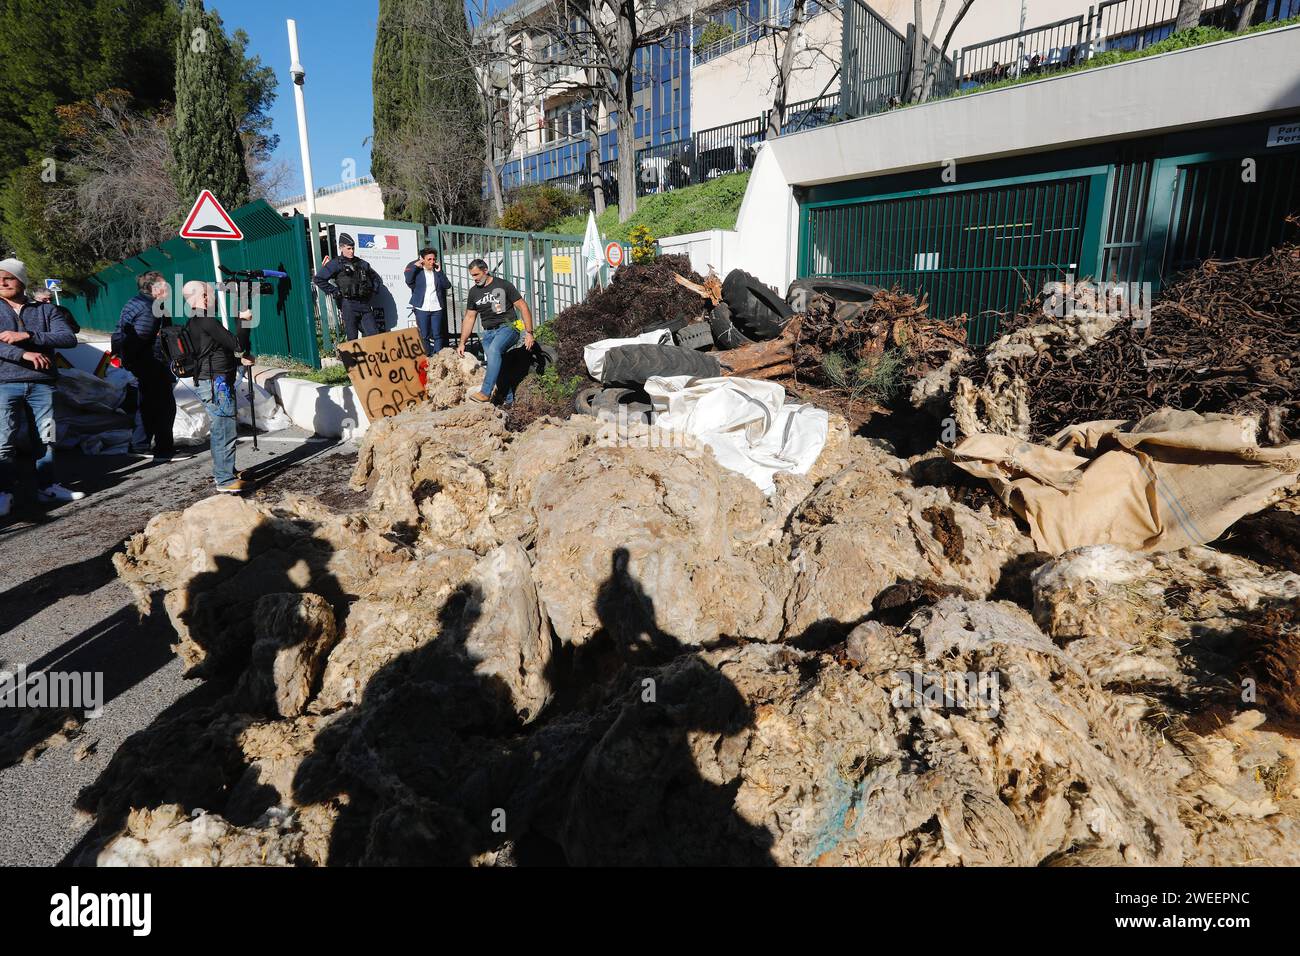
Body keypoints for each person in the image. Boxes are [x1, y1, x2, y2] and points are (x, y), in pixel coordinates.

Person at [0, 258, 83, 517]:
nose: (2, 282)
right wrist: (22, 355)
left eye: (8, 278)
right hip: (4, 383)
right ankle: (4, 492)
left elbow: (68, 337)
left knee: (46, 438)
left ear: (21, 281)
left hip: (41, 383)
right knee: (3, 440)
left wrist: (29, 336)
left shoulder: (45, 310)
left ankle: (46, 486)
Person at [180, 280, 254, 494]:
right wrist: (244, 321)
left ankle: (226, 470)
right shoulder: (206, 320)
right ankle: (224, 479)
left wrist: (240, 362)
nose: (213, 297)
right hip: (216, 385)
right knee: (224, 430)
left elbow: (214, 353)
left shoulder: (194, 322)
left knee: (221, 428)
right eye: (211, 293)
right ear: (203, 296)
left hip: (212, 382)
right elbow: (238, 345)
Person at [114, 271, 179, 461]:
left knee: (148, 405)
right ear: (153, 288)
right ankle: (163, 450)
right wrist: (140, 362)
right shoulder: (150, 307)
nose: (168, 288)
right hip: (151, 363)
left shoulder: (137, 302)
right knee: (164, 406)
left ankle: (139, 444)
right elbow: (140, 337)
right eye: (164, 284)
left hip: (144, 363)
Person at [456, 259, 534, 405]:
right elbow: (469, 317)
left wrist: (529, 332)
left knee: (494, 351)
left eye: (477, 274)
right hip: (488, 333)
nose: (475, 278)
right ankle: (508, 400)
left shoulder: (503, 285)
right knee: (496, 364)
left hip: (509, 327)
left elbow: (523, 307)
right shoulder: (474, 292)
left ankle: (485, 392)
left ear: (485, 270)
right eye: (472, 276)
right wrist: (462, 343)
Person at [312, 233, 385, 341]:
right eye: (348, 248)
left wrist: (372, 291)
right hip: (348, 304)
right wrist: (334, 291)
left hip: (364, 304)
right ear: (341, 248)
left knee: (373, 335)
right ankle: (353, 358)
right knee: (352, 338)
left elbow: (376, 279)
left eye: (353, 248)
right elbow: (318, 279)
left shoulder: (362, 263)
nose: (352, 251)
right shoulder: (336, 263)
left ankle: (370, 357)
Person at [403, 247, 452, 355]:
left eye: (433, 259)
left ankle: (439, 358)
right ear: (423, 259)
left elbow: (447, 285)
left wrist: (440, 272)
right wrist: (416, 266)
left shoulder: (436, 272)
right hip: (422, 308)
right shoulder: (417, 271)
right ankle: (427, 357)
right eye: (429, 259)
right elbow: (408, 280)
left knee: (437, 335)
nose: (432, 262)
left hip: (436, 308)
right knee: (424, 335)